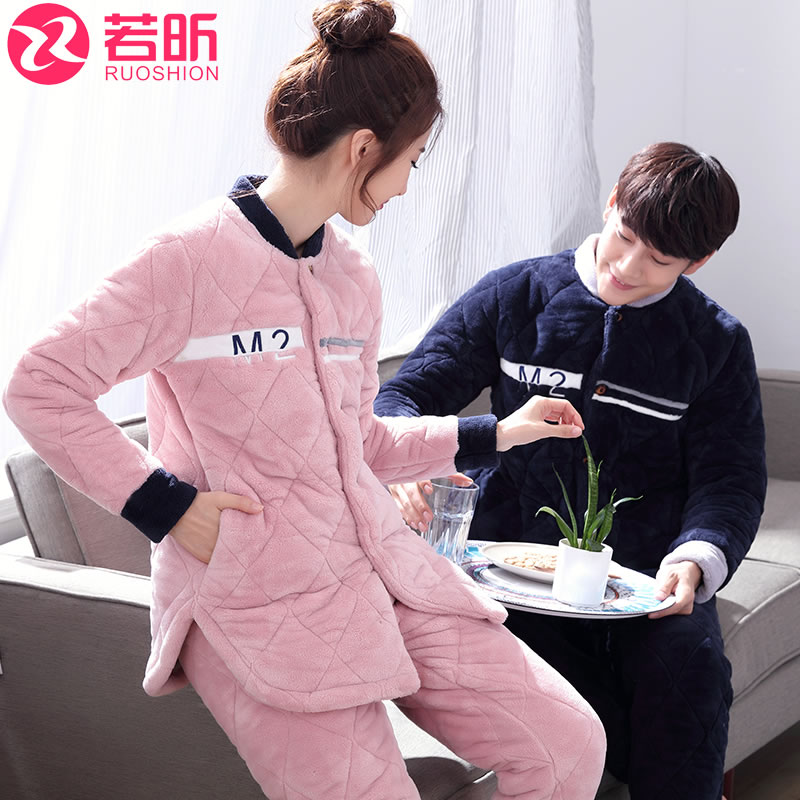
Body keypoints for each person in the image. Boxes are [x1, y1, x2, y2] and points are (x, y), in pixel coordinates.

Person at [3, 2, 607, 798]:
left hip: (378, 564)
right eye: (412, 161)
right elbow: (40, 384)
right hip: (254, 594)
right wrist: (169, 507)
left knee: (568, 743)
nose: (405, 186)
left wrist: (499, 433)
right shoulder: (188, 259)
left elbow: (362, 444)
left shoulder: (352, 276)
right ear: (364, 149)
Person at [375, 141, 767, 800]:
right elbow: (405, 395)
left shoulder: (716, 343)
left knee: (690, 672)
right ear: (611, 204)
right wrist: (404, 464)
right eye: (625, 237)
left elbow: (730, 478)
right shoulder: (516, 293)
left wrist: (697, 559)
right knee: (557, 688)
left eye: (659, 260)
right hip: (504, 564)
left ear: (697, 262)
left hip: (643, 577)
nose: (628, 267)